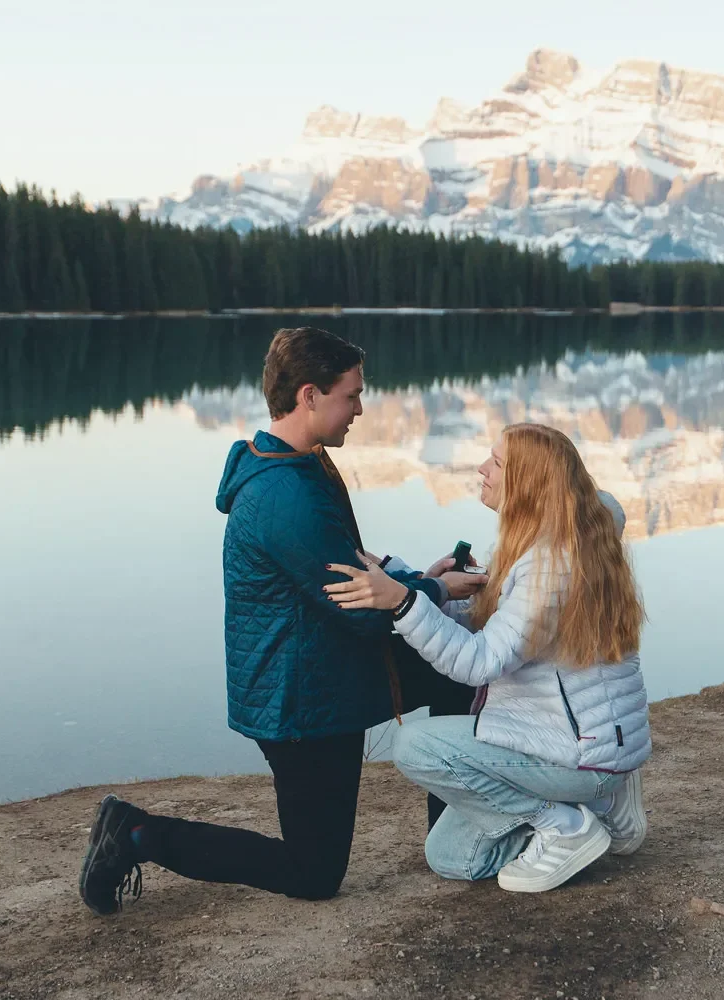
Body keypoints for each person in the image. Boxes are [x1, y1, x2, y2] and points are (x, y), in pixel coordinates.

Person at [77, 326, 486, 915]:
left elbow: (350, 565)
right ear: (310, 396)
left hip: (327, 664)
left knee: (454, 671)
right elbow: (364, 611)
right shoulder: (285, 496)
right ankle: (137, 835)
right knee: (314, 871)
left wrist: (419, 579)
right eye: (352, 395)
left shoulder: (297, 464)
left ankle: (455, 837)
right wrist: (435, 590)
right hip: (302, 700)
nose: (361, 408)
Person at [322, 422, 650, 893]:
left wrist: (401, 602)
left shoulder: (548, 566)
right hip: (574, 743)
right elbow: (499, 627)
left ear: (528, 485)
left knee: (413, 745)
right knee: (451, 857)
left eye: (496, 463)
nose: (482, 468)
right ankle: (598, 808)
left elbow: (477, 663)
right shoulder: (562, 544)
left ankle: (564, 824)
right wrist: (403, 576)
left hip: (575, 755)